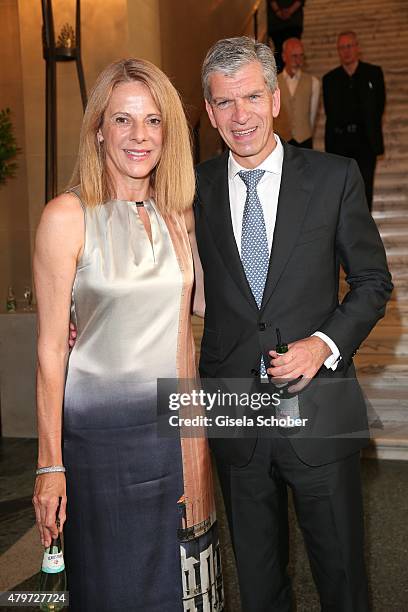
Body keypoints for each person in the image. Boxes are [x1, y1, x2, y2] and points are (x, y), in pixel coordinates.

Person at [195, 36, 392, 611]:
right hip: (234, 411)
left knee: (342, 578)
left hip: (319, 405)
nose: (241, 115)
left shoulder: (335, 177)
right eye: (225, 103)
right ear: (209, 111)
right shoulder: (193, 188)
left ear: (275, 96)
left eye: (252, 96)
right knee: (257, 585)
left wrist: (323, 344)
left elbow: (374, 282)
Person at [32, 58, 223, 611]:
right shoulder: (67, 217)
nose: (140, 135)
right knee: (112, 589)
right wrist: (49, 466)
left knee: (182, 590)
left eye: (154, 120)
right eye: (123, 120)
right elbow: (49, 352)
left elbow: (190, 329)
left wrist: (197, 443)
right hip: (101, 445)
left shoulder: (177, 214)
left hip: (174, 436)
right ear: (98, 129)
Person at [323, 31, 386, 210]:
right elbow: (330, 113)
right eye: (342, 47)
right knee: (343, 192)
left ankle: (365, 234)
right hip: (340, 144)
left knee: (366, 188)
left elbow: (379, 107)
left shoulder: (374, 73)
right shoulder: (330, 79)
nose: (346, 51)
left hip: (366, 142)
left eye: (349, 46)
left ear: (357, 48)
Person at [274, 37, 320, 148]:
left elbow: (312, 116)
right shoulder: (273, 82)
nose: (298, 60)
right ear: (284, 57)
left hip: (304, 141)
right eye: (294, 56)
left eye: (301, 56)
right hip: (280, 141)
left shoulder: (313, 82)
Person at [267, 1, 306, 72]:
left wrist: (280, 11)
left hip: (292, 22)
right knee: (280, 51)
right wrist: (284, 12)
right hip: (278, 23)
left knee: (290, 50)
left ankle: (292, 75)